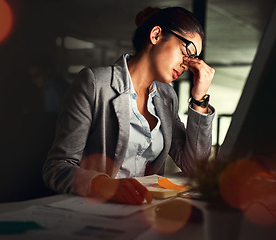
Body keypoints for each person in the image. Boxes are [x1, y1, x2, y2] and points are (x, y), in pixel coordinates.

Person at [43, 6, 215, 205]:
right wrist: (104, 185)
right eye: (187, 51)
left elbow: (195, 167)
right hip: (97, 209)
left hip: (145, 210)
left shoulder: (167, 97)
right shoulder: (95, 83)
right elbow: (57, 167)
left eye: (193, 58)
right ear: (156, 35)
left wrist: (199, 99)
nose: (187, 64)